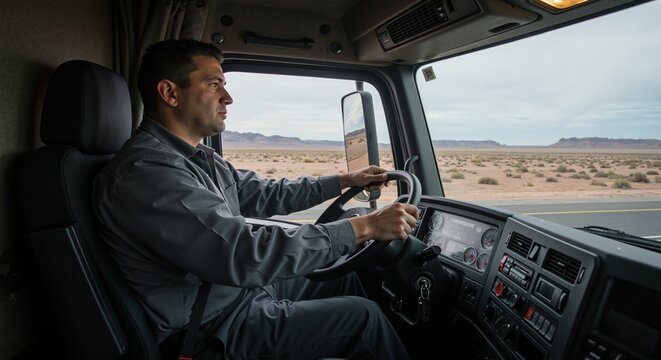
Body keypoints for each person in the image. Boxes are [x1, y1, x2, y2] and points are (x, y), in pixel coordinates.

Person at [93, 39, 419, 360]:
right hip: (210, 329)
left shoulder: (196, 158)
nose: (228, 98)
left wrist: (344, 181)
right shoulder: (148, 174)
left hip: (234, 296)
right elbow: (242, 255)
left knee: (340, 272)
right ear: (170, 93)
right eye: (213, 84)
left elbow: (264, 194)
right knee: (362, 319)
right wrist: (363, 228)